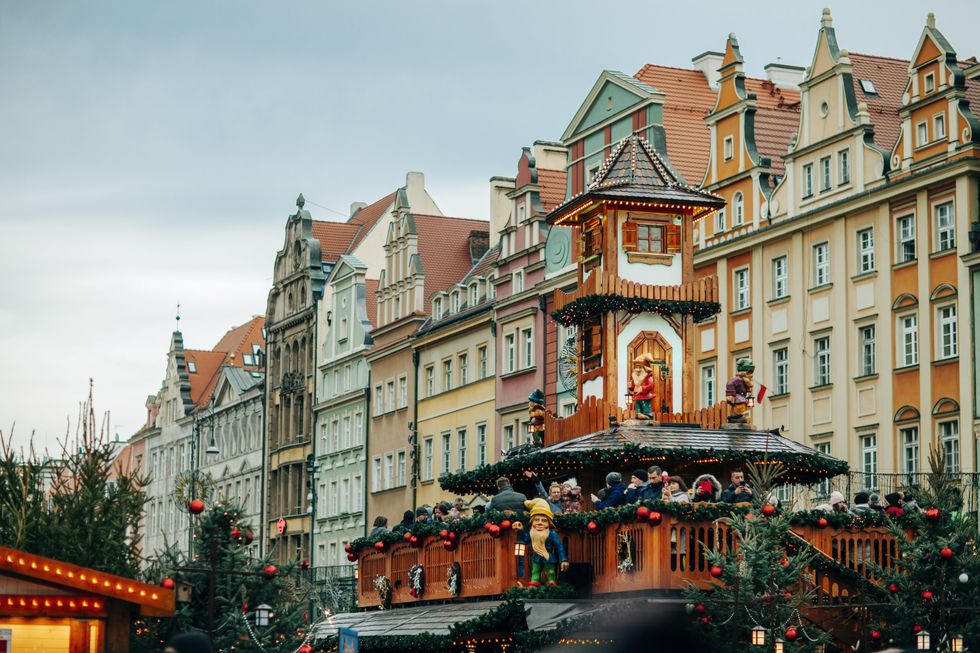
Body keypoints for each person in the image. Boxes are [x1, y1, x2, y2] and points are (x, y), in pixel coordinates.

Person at [512, 498, 569, 587]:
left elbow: (559, 546)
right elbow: (524, 540)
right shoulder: (532, 533)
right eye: (536, 520)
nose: (540, 523)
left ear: (549, 523)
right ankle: (534, 586)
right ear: (532, 522)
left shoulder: (551, 533)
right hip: (537, 557)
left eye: (544, 520)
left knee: (550, 572)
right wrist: (520, 531)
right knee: (535, 572)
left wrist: (564, 559)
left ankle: (551, 584)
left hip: (548, 557)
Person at [629, 353, 657, 419]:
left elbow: (651, 385)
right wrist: (631, 388)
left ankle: (647, 417)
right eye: (636, 367)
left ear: (646, 368)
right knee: (638, 410)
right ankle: (639, 416)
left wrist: (642, 388)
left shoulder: (648, 377)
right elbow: (634, 387)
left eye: (640, 367)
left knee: (646, 410)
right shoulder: (635, 377)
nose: (638, 370)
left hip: (645, 397)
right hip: (637, 398)